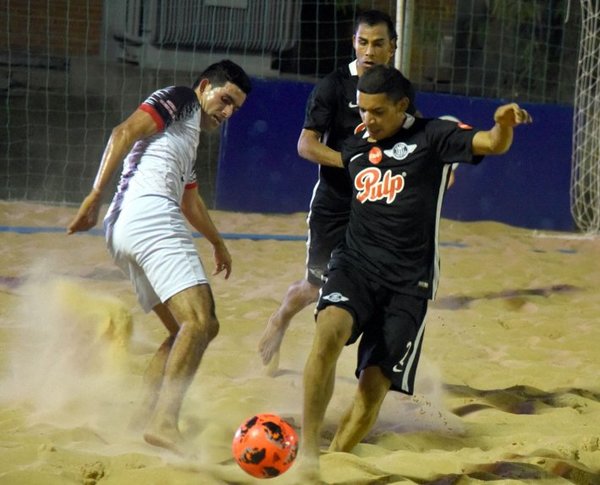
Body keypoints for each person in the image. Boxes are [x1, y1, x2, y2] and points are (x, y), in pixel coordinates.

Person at [299, 64, 532, 479]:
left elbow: (492, 145)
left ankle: (334, 459)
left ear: (402, 106)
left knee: (372, 390)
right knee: (327, 334)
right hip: (354, 265)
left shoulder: (433, 137)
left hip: (409, 284)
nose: (365, 120)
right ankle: (308, 456)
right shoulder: (354, 146)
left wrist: (502, 126)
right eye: (361, 110)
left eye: (376, 112)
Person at [67, 60, 252, 453]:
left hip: (124, 230)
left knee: (187, 329)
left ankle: (141, 421)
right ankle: (166, 423)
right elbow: (123, 131)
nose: (228, 111)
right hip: (148, 215)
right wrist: (94, 193)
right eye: (225, 99)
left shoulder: (186, 137)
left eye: (236, 107)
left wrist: (218, 242)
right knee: (201, 321)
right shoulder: (182, 100)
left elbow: (190, 199)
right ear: (204, 87)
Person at [258, 10, 417, 368]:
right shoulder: (333, 86)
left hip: (376, 207)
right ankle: (281, 317)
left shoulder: (400, 92)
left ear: (392, 47)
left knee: (380, 288)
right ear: (354, 44)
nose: (369, 51)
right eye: (363, 42)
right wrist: (351, 163)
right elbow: (305, 145)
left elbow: (411, 141)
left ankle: (372, 368)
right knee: (316, 287)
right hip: (334, 206)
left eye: (378, 43)